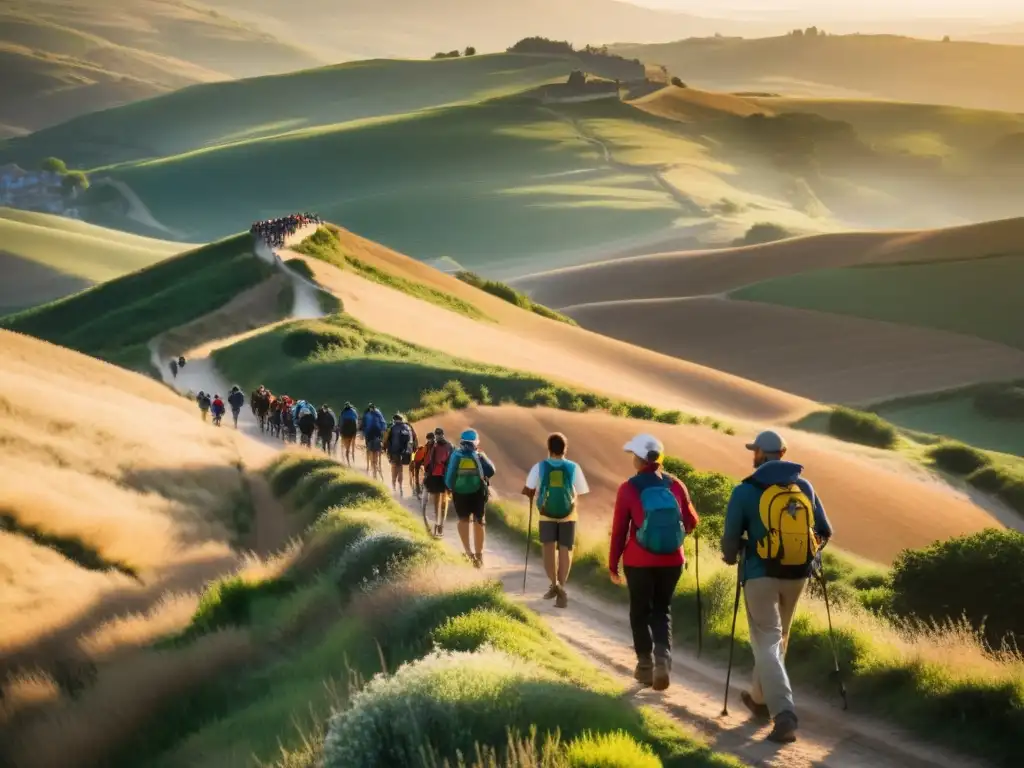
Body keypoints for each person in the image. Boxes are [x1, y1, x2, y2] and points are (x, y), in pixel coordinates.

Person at [721, 430, 833, 745]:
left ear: (759, 453)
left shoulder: (745, 490)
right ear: (782, 452)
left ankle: (784, 714)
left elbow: (730, 539)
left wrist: (732, 556)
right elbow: (824, 531)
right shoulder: (804, 487)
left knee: (767, 640)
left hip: (760, 573)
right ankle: (759, 699)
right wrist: (807, 553)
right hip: (798, 574)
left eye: (754, 450)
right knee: (778, 638)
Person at [609, 434, 699, 692]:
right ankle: (662, 660)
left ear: (639, 459)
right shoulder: (676, 485)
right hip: (672, 560)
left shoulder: (628, 488)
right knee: (662, 610)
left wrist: (613, 565)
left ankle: (645, 666)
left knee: (639, 611)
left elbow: (619, 532)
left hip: (639, 560)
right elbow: (691, 522)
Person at [522, 432, 590, 609]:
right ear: (565, 449)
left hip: (546, 514)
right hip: (569, 515)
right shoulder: (573, 467)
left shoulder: (540, 467)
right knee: (565, 551)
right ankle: (561, 587)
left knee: (548, 549)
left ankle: (555, 585)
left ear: (549, 448)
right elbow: (582, 490)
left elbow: (529, 488)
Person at [445, 429, 496, 568]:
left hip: (460, 493)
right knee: (479, 520)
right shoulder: (478, 455)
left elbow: (450, 476)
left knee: (463, 520)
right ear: (476, 442)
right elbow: (491, 470)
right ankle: (479, 555)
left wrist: (451, 488)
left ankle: (468, 553)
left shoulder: (456, 454)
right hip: (478, 492)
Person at [423, 427, 453, 538]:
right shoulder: (435, 446)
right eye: (437, 434)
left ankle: (440, 524)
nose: (438, 436)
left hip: (442, 476)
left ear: (443, 434)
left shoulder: (447, 446)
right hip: (437, 476)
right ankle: (438, 522)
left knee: (443, 502)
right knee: (437, 501)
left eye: (439, 434)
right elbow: (429, 461)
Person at [385, 414, 417, 496]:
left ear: (394, 420)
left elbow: (386, 439)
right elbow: (414, 438)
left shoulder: (392, 427)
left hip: (394, 452)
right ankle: (400, 487)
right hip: (406, 452)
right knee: (401, 469)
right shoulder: (408, 427)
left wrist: (385, 448)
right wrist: (413, 450)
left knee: (394, 467)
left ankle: (393, 486)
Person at [363, 403, 387, 479]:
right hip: (378, 436)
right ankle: (376, 467)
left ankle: (369, 466)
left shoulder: (367, 415)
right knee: (377, 452)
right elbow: (383, 424)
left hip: (369, 436)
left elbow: (364, 425)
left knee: (368, 450)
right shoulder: (379, 413)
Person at [411, 432, 434, 499]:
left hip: (428, 470)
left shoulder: (423, 449)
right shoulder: (438, 448)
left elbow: (416, 462)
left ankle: (418, 490)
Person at [338, 402, 359, 466]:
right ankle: (354, 441)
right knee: (355, 429)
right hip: (353, 427)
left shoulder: (343, 412)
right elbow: (356, 419)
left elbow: (340, 421)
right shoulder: (354, 411)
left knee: (341, 433)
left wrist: (340, 428)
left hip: (345, 426)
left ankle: (345, 454)